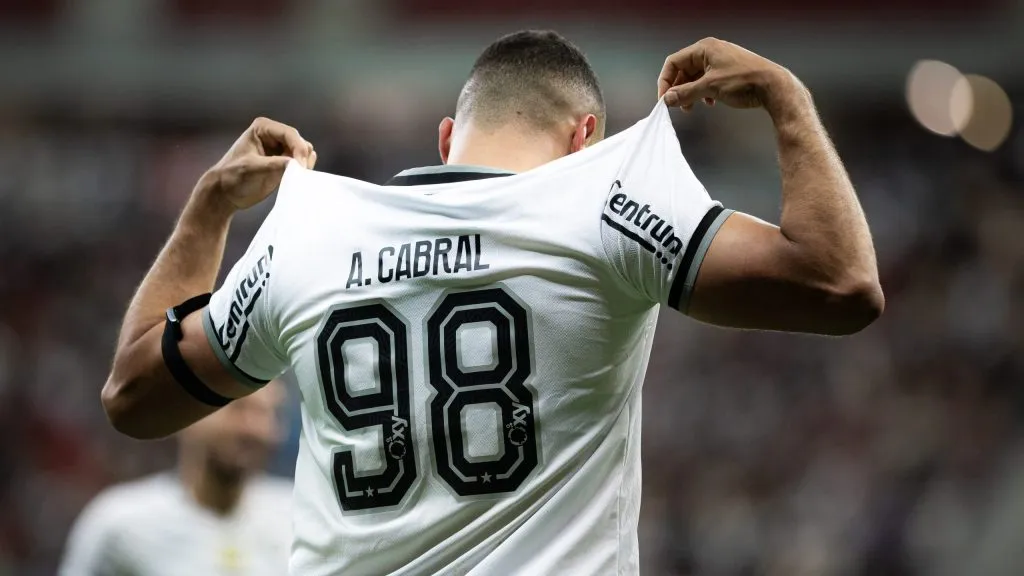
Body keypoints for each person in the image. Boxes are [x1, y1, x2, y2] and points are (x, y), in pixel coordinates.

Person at [98, 31, 883, 575]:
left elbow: (134, 395)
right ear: (585, 138)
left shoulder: (307, 228)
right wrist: (786, 98)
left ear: (446, 139)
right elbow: (841, 285)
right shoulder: (605, 198)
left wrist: (208, 207)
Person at [61, 382, 291, 576]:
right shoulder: (120, 525)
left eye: (267, 413)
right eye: (238, 409)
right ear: (187, 417)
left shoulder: (298, 517)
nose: (254, 428)